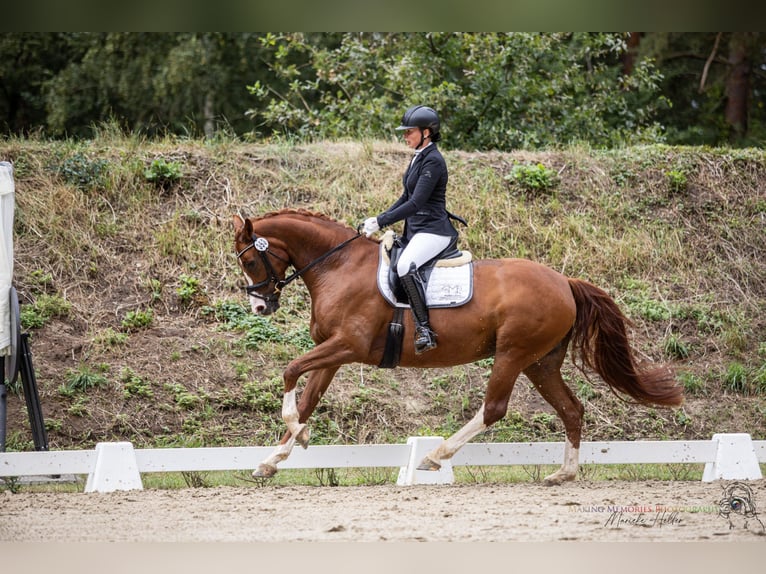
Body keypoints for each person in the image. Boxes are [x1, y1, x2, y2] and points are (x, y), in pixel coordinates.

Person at [362, 105, 462, 354]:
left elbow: (416, 203)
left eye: (410, 132)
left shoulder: (434, 161)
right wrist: (378, 218)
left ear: (426, 132)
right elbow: (406, 197)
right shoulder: (418, 157)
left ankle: (425, 330)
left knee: (406, 265)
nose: (405, 136)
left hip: (434, 230)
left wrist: (382, 221)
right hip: (417, 230)